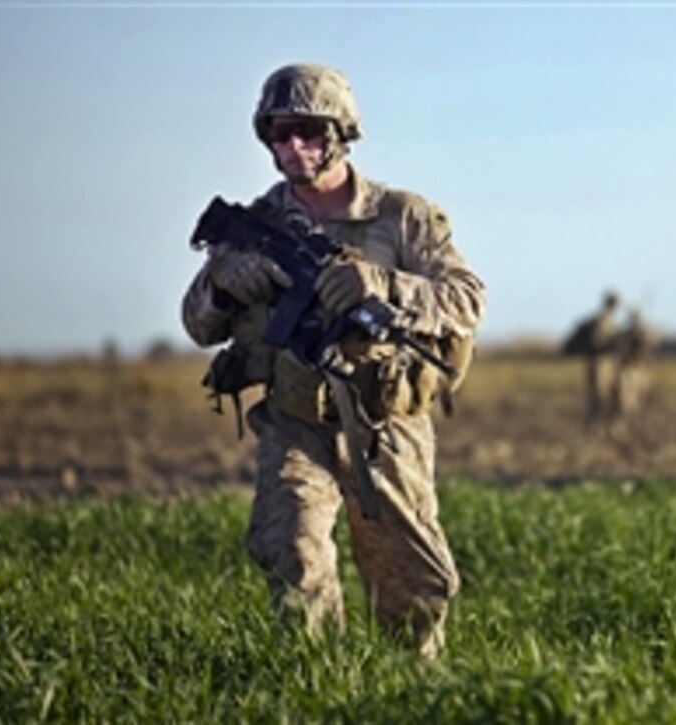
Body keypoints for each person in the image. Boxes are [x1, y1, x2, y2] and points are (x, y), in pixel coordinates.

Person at [181, 63, 485, 659]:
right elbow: (197, 324)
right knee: (294, 553)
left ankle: (411, 689)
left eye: (309, 131)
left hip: (384, 423)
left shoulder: (404, 217)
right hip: (296, 419)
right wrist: (223, 284)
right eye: (278, 133)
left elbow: (467, 299)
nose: (293, 146)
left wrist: (384, 285)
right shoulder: (254, 227)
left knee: (409, 579)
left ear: (342, 133)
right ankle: (318, 684)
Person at [562, 291, 622, 427]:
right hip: (599, 363)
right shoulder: (601, 320)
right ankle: (593, 425)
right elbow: (597, 342)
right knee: (599, 396)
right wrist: (612, 344)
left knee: (609, 396)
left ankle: (604, 425)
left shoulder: (610, 320)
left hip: (608, 363)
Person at [612, 308, 657, 419]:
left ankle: (636, 418)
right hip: (627, 368)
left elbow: (649, 347)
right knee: (625, 398)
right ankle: (625, 417)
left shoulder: (644, 333)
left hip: (640, 368)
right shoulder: (624, 334)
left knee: (640, 396)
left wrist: (643, 338)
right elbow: (620, 349)